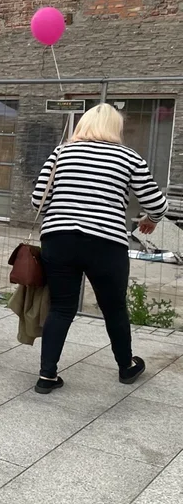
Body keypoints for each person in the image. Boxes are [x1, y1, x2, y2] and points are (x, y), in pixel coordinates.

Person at [30, 104, 167, 394]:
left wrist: (66, 212)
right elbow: (156, 204)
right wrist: (150, 220)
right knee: (113, 307)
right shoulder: (128, 157)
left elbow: (37, 201)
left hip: (59, 239)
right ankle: (126, 367)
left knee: (62, 307)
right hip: (106, 243)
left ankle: (47, 376)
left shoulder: (60, 153)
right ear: (114, 127)